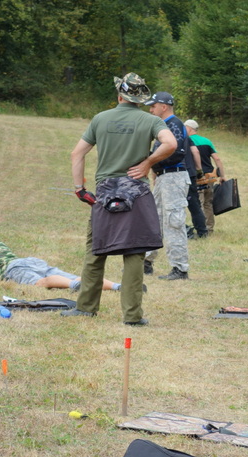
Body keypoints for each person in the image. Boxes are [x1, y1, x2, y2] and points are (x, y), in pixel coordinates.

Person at [65, 72, 176, 326]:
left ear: (119, 96)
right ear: (140, 99)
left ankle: (85, 308)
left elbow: (76, 154)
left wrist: (79, 188)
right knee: (135, 253)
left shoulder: (100, 119)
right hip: (136, 193)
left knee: (96, 251)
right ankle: (132, 316)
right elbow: (169, 143)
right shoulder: (150, 120)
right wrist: (148, 162)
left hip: (105, 193)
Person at [0, 222, 121, 291]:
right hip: (29, 262)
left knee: (42, 283)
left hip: (14, 270)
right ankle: (116, 286)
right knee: (74, 275)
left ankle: (72, 286)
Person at [142, 92, 191, 280]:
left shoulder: (174, 124)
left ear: (164, 107)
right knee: (155, 219)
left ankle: (180, 268)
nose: (150, 109)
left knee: (173, 221)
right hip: (164, 177)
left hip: (174, 177)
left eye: (153, 106)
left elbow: (176, 152)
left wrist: (152, 161)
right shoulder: (164, 125)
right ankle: (146, 262)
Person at [185, 119, 226, 234]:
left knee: (199, 203)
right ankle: (209, 228)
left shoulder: (186, 141)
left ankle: (202, 230)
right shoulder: (207, 141)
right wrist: (222, 176)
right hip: (210, 176)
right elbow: (217, 158)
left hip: (197, 176)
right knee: (208, 203)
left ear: (189, 129)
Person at [184, 129, 208, 239]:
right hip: (190, 174)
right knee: (194, 205)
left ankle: (183, 230)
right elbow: (195, 152)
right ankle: (202, 232)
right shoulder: (187, 138)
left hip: (172, 174)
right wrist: (199, 170)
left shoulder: (165, 136)